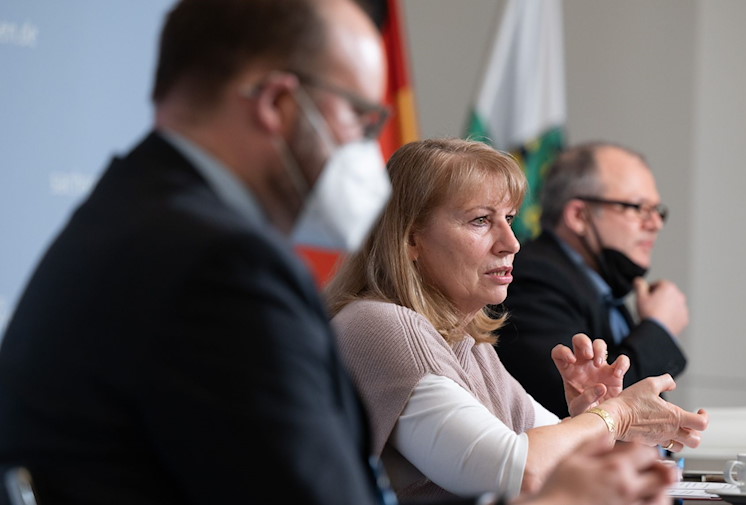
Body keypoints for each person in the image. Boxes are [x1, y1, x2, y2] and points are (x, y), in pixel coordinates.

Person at [0, 2, 684, 505]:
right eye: (360, 119)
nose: (367, 149)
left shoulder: (126, 215)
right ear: (277, 104)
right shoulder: (221, 265)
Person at [325, 138, 708, 501]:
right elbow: (519, 471)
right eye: (480, 220)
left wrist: (589, 417)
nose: (512, 242)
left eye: (509, 218)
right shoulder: (380, 323)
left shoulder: (469, 346)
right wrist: (616, 414)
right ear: (410, 239)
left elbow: (558, 466)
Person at [495, 141, 690, 418]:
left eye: (657, 210)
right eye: (638, 207)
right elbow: (593, 406)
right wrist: (659, 328)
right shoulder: (530, 280)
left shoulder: (600, 282)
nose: (655, 223)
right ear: (579, 216)